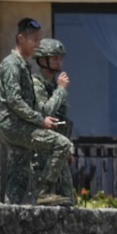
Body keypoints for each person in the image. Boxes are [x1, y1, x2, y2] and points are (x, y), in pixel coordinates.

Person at [0, 18, 73, 204]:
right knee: (61, 144)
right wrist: (41, 120)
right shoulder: (12, 64)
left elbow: (33, 105)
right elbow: (15, 101)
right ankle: (45, 191)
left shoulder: (22, 65)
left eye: (39, 41)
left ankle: (8, 216)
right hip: (14, 125)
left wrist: (44, 118)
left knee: (19, 175)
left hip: (19, 125)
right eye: (34, 40)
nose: (37, 45)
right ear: (21, 38)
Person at [31, 38, 75, 205]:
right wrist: (61, 90)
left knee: (67, 200)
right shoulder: (36, 84)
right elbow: (45, 112)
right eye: (55, 58)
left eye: (60, 58)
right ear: (43, 60)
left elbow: (62, 120)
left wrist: (69, 148)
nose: (59, 62)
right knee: (43, 201)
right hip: (43, 151)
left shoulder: (53, 86)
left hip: (59, 150)